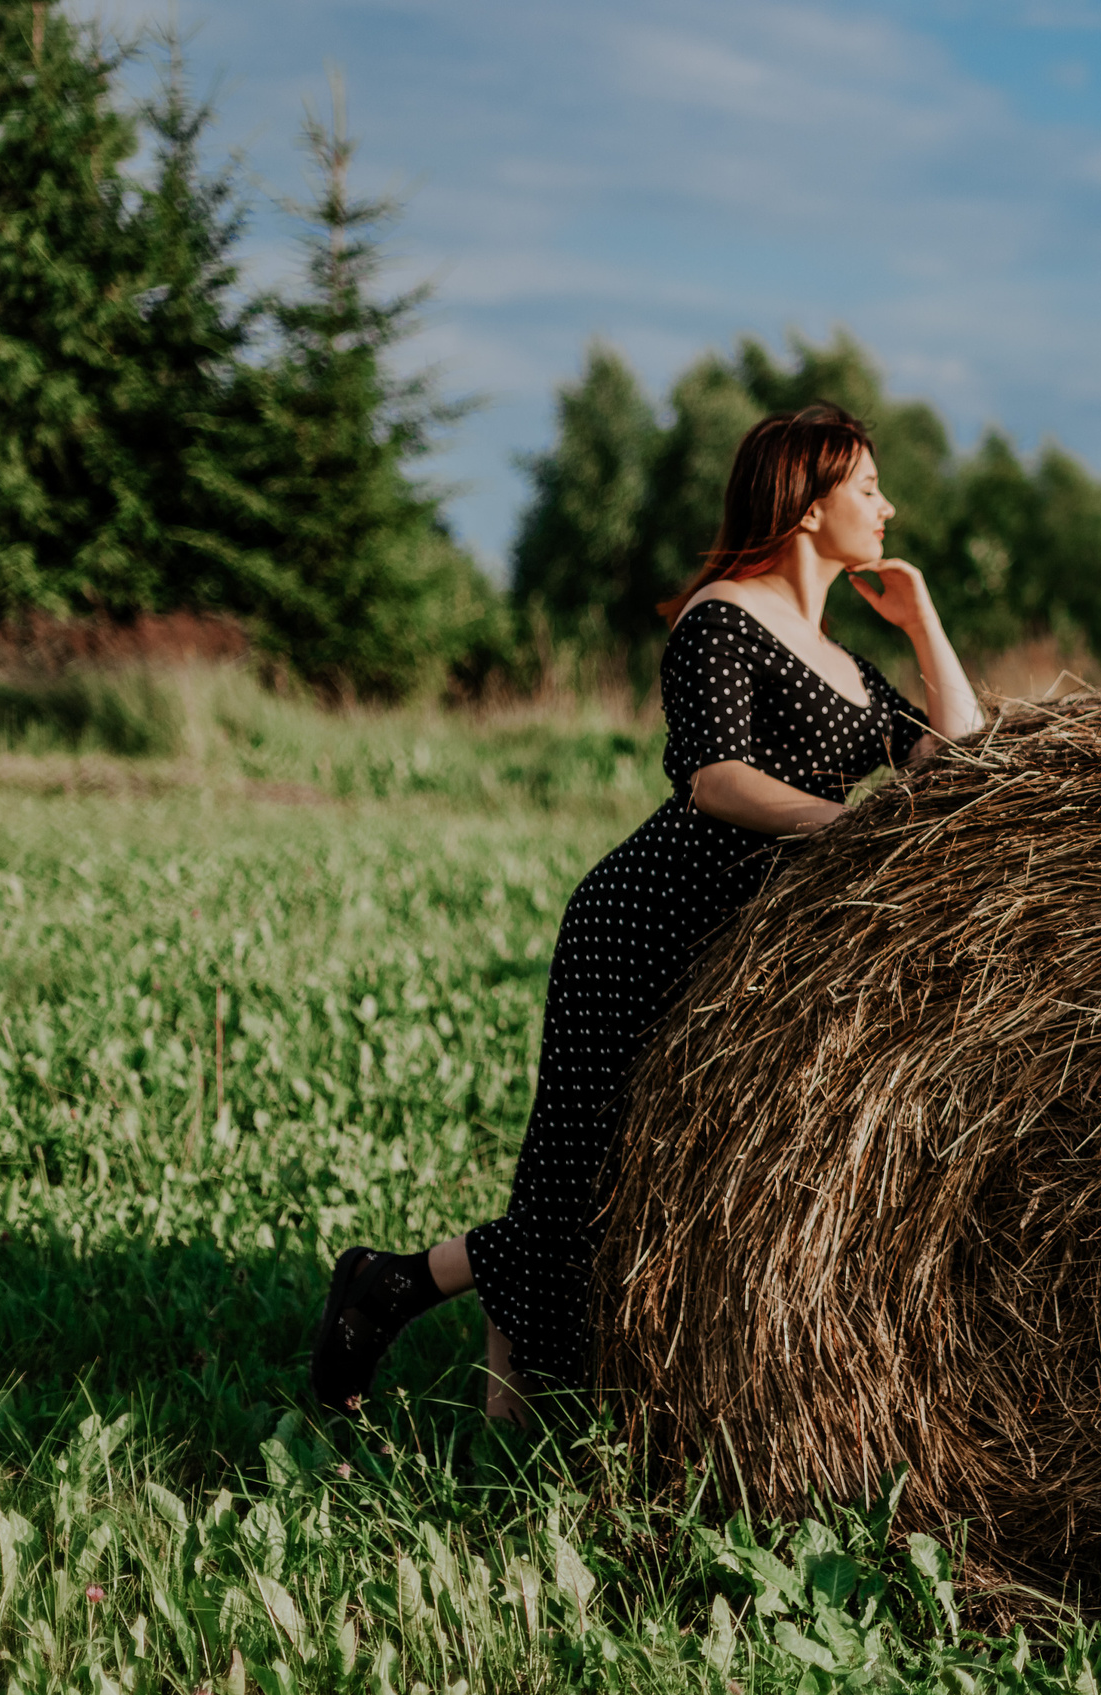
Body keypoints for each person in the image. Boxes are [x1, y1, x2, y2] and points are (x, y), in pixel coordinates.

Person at [310, 404, 981, 1417]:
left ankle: (408, 1301)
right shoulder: (721, 616)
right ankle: (419, 1322)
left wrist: (923, 622)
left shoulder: (846, 665)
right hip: (649, 916)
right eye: (869, 488)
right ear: (808, 504)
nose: (887, 507)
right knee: (581, 1175)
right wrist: (851, 834)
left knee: (634, 1172)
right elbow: (715, 779)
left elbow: (959, 766)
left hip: (741, 941)